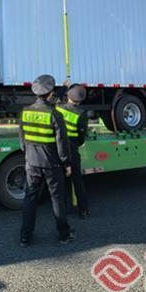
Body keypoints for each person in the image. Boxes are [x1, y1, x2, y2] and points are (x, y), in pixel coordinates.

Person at [19, 74, 75, 247]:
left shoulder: (25, 112)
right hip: (52, 164)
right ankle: (64, 234)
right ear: (50, 93)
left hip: (31, 162)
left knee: (30, 198)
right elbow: (62, 144)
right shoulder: (55, 115)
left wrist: (29, 155)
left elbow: (22, 140)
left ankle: (25, 237)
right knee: (57, 199)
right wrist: (66, 163)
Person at [56, 84, 90, 219]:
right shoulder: (81, 114)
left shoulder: (59, 108)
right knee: (77, 180)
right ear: (80, 100)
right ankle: (84, 210)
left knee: (63, 179)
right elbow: (81, 138)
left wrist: (64, 87)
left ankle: (66, 208)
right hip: (72, 149)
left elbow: (56, 98)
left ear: (68, 96)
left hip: (59, 148)